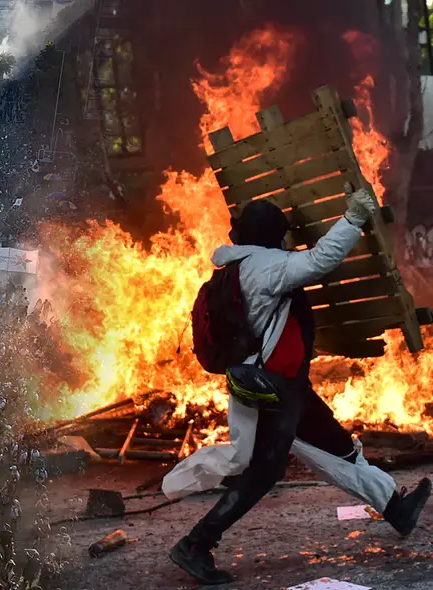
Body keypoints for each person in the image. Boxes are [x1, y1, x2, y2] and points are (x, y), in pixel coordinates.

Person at [166, 188, 433, 584]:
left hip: (276, 384)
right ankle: (195, 545)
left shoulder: (233, 267)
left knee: (338, 446)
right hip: (272, 390)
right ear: (272, 236)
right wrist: (353, 218)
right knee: (265, 470)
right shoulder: (265, 266)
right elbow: (321, 259)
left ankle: (395, 508)